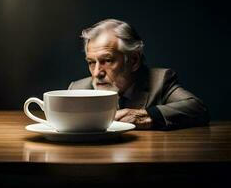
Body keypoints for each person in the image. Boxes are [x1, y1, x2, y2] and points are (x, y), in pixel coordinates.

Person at [68, 19, 210, 130]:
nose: (97, 72)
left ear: (134, 60)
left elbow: (198, 109)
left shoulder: (160, 81)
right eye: (91, 62)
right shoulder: (77, 89)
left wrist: (145, 116)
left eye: (107, 60)